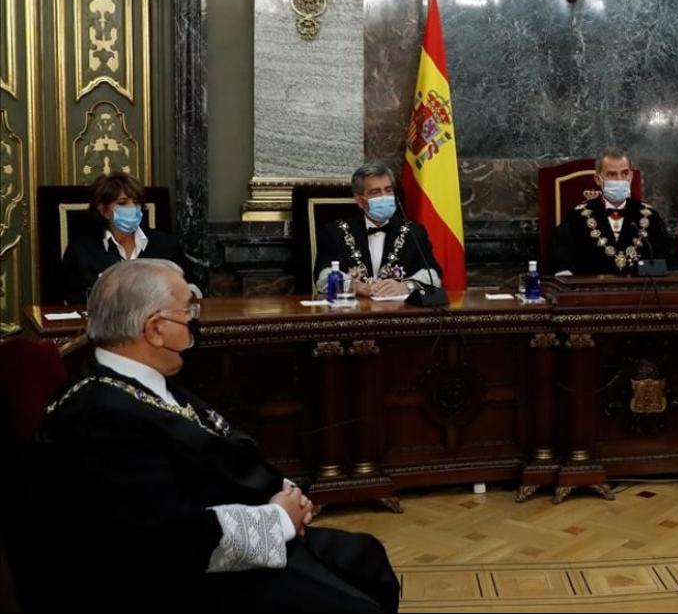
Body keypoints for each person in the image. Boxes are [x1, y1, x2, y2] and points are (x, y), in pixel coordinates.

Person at [30, 259, 400, 611]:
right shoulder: (96, 418)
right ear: (155, 329)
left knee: (366, 560)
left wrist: (285, 496)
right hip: (169, 582)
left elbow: (219, 447)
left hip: (227, 532)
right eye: (188, 312)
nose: (194, 321)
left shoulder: (135, 376)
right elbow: (166, 539)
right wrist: (278, 519)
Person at [313, 160, 441, 298]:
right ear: (359, 200)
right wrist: (355, 286)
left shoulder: (414, 232)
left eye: (388, 190)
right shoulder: (334, 232)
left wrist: (406, 286)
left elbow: (433, 275)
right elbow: (323, 277)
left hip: (399, 312)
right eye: (375, 192)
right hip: (352, 311)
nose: (384, 197)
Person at [60, 173, 190, 303]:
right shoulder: (81, 252)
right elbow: (73, 300)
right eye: (122, 203)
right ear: (104, 211)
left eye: (136, 202)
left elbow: (190, 288)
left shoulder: (167, 245)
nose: (132, 208)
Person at [551, 148, 671, 275]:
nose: (619, 179)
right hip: (592, 292)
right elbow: (562, 261)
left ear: (631, 176)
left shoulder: (650, 217)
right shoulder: (578, 218)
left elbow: (665, 260)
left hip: (640, 292)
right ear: (598, 179)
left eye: (624, 173)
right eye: (612, 174)